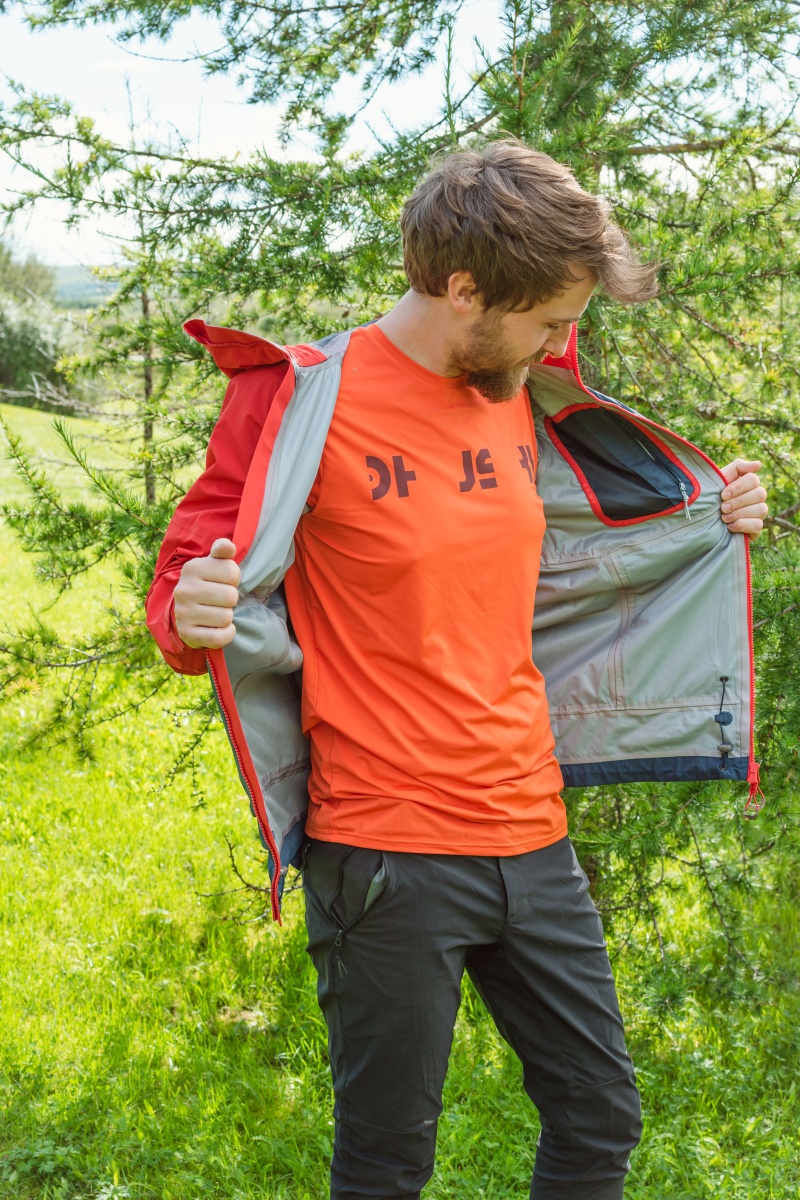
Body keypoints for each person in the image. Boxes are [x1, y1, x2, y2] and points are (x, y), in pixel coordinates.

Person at [146, 141, 768, 1199]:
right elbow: (186, 576)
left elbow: (586, 552)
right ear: (464, 289)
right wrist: (189, 609)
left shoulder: (515, 387)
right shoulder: (304, 398)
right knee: (387, 1163)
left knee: (598, 1115)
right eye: (548, 321)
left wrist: (710, 514)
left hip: (532, 828)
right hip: (386, 848)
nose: (562, 343)